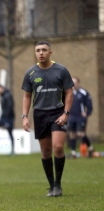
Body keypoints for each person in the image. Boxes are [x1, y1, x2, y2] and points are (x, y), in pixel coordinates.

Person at [21, 41, 74, 197]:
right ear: (35, 53)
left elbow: (69, 93)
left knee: (58, 147)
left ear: (50, 52)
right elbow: (27, 96)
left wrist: (66, 113)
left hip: (58, 112)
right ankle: (51, 186)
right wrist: (25, 116)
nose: (41, 52)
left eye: (44, 50)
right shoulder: (30, 73)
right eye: (38, 50)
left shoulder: (61, 70)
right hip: (40, 114)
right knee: (45, 151)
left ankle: (58, 184)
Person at [67, 77, 94, 158]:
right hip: (71, 116)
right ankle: (73, 152)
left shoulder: (83, 92)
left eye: (75, 82)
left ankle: (90, 148)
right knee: (72, 134)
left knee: (80, 134)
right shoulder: (68, 92)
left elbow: (89, 104)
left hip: (80, 117)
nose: (73, 84)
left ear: (78, 83)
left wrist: (87, 113)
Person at [0, 84, 15, 155]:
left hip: (8, 117)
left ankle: (12, 150)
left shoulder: (7, 95)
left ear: (1, 87)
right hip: (3, 117)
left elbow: (10, 106)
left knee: (10, 132)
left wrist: (7, 120)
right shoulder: (2, 95)